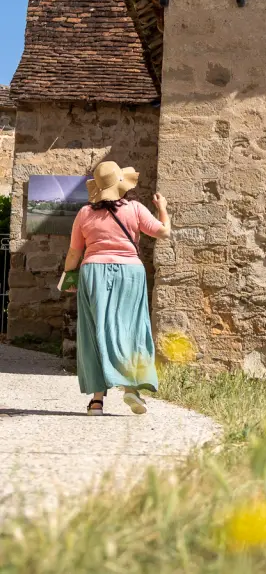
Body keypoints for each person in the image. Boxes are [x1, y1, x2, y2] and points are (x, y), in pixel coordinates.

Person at [64, 161, 171, 416]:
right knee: (132, 328)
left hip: (93, 272)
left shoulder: (84, 213)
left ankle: (96, 402)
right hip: (130, 272)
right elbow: (163, 232)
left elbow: (74, 252)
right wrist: (163, 208)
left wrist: (68, 277)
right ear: (121, 184)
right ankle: (131, 388)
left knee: (94, 331)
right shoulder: (134, 209)